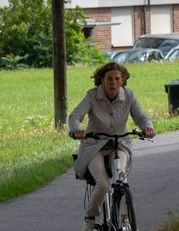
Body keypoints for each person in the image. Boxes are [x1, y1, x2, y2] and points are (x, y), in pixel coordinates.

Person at [68, 61, 156, 231]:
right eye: (109, 79)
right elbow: (75, 115)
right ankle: (90, 218)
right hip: (95, 145)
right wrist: (76, 130)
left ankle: (125, 220)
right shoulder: (92, 95)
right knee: (103, 184)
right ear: (102, 80)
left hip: (119, 144)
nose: (113, 82)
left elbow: (141, 117)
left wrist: (148, 127)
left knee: (121, 178)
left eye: (117, 79)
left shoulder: (129, 95)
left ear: (122, 80)